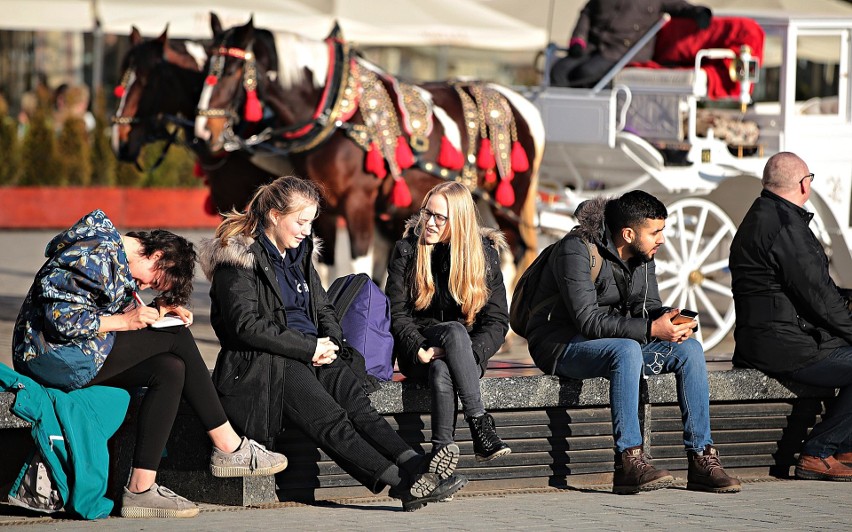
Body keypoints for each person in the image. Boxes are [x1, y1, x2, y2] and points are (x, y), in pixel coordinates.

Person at [199, 176, 467, 511]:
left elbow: (322, 305)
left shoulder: (299, 251)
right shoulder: (237, 258)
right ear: (274, 216)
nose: (305, 230)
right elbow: (246, 327)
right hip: (264, 363)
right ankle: (402, 485)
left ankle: (415, 465)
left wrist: (331, 343)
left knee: (359, 406)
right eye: (300, 221)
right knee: (331, 419)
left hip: (312, 351)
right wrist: (308, 348)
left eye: (310, 222)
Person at [12, 209, 288, 519]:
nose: (144, 287)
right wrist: (125, 320)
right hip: (47, 356)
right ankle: (228, 445)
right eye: (153, 281)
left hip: (76, 353)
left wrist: (159, 310)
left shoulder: (115, 261)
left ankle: (141, 489)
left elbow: (105, 305)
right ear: (156, 255)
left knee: (170, 368)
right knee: (177, 340)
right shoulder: (92, 253)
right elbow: (59, 322)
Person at [525, 190, 741, 494]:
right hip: (559, 344)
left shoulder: (642, 256)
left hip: (614, 343)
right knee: (626, 351)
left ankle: (701, 458)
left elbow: (650, 305)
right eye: (655, 232)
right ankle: (630, 461)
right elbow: (587, 321)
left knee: (689, 349)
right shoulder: (575, 250)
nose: (661, 239)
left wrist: (670, 319)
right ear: (628, 233)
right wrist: (652, 328)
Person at [730, 152, 852, 481]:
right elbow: (820, 299)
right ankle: (818, 452)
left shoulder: (762, 215)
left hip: (765, 340)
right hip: (785, 346)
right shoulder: (786, 227)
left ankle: (844, 447)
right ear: (803, 184)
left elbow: (812, 291)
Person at [386, 181, 512, 463]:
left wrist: (467, 352)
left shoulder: (483, 257)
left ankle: (441, 453)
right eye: (426, 213)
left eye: (439, 217)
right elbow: (397, 312)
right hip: (419, 351)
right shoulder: (407, 251)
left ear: (460, 221)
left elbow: (496, 321)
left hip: (467, 353)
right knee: (452, 335)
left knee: (445, 365)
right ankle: (479, 424)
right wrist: (417, 347)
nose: (429, 223)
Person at [550, 0, 712, 88]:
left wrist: (699, 12)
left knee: (585, 72)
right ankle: (559, 118)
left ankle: (587, 118)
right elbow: (587, 13)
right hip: (592, 47)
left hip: (621, 51)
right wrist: (578, 40)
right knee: (558, 70)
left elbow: (679, 6)